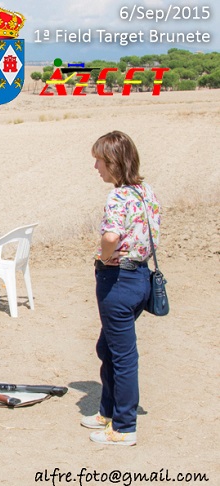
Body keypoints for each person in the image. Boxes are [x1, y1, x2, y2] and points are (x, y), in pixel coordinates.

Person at [82, 131, 159, 446]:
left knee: (123, 355)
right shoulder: (145, 191)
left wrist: (102, 255)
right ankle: (107, 411)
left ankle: (124, 428)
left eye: (99, 160)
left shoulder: (118, 197)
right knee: (107, 348)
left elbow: (112, 237)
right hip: (140, 278)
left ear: (113, 162)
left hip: (119, 281)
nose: (96, 167)